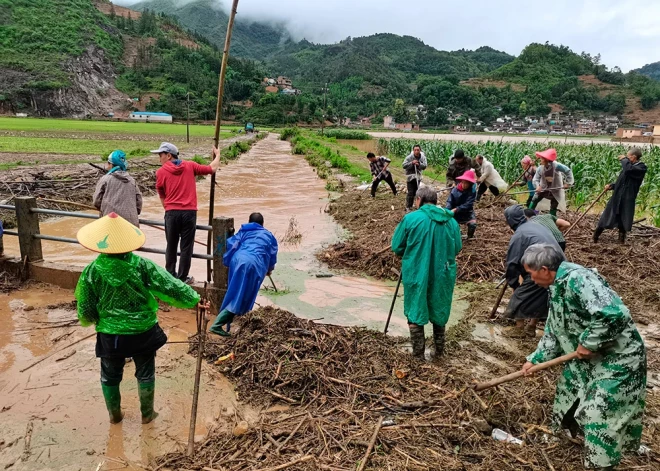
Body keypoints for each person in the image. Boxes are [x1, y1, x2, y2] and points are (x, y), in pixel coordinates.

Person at [520, 243, 646, 471]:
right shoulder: (555, 286)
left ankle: (601, 464)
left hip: (618, 359)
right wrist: (535, 359)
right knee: (567, 394)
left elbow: (615, 314)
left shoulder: (580, 280)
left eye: (531, 273)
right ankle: (566, 436)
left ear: (545, 269)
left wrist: (588, 342)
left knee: (600, 412)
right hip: (586, 359)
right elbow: (554, 329)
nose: (531, 279)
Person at [74, 213, 203, 424]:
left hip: (110, 334)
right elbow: (170, 284)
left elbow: (86, 309)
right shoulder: (142, 265)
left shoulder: (91, 271)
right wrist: (195, 299)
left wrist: (100, 320)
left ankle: (115, 416)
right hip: (143, 331)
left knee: (110, 375)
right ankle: (147, 414)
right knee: (145, 373)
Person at [391, 187, 462, 360]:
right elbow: (457, 247)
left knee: (416, 308)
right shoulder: (451, 221)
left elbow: (397, 246)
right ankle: (439, 352)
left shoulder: (411, 219)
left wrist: (412, 250)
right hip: (443, 273)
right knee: (439, 306)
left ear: (419, 200)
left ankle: (418, 356)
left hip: (417, 271)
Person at [154, 142, 222, 284]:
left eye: (160, 155)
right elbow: (212, 168)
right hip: (189, 213)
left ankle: (170, 277)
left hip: (172, 213)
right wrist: (218, 155)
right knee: (186, 248)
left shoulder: (161, 172)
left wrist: (167, 208)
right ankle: (182, 279)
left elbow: (161, 194)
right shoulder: (190, 166)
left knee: (171, 246)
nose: (159, 158)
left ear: (168, 155)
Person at [209, 213, 278, 337]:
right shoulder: (268, 235)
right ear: (262, 224)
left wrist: (228, 261)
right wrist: (269, 269)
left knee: (235, 291)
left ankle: (239, 323)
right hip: (253, 264)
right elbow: (272, 255)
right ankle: (217, 325)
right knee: (242, 296)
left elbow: (232, 244)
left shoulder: (244, 231)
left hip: (237, 260)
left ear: (249, 221)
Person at [502, 205, 564, 338]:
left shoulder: (520, 234)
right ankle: (531, 327)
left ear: (510, 220)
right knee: (542, 296)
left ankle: (518, 329)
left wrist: (514, 286)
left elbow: (512, 264)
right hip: (559, 265)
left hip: (544, 266)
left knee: (520, 296)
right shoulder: (536, 225)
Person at [593, 147, 648, 244]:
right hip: (617, 197)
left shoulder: (641, 168)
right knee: (606, 216)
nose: (627, 158)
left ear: (633, 157)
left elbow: (628, 170)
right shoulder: (629, 167)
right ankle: (596, 236)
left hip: (627, 198)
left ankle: (621, 240)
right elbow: (622, 182)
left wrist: (623, 159)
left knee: (624, 218)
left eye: (628, 156)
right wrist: (612, 186)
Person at [93, 150, 143, 226]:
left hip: (110, 222)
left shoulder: (105, 180)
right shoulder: (132, 181)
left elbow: (96, 201)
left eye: (108, 163)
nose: (107, 166)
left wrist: (104, 209)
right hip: (130, 224)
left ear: (111, 165)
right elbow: (139, 202)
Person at [530, 148, 574, 216]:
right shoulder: (540, 168)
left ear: (546, 160)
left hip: (555, 187)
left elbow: (568, 171)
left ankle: (552, 218)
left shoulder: (556, 166)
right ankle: (528, 214)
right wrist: (537, 186)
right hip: (543, 187)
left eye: (541, 159)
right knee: (535, 199)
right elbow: (536, 179)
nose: (540, 160)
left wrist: (567, 183)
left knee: (554, 204)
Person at [445, 169, 478, 239]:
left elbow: (468, 204)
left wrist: (457, 209)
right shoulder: (455, 190)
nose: (464, 185)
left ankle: (469, 237)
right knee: (452, 224)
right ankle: (457, 233)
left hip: (467, 212)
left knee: (473, 225)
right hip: (455, 213)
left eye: (466, 183)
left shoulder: (472, 192)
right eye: (463, 182)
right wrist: (447, 210)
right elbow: (450, 201)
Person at [402, 145, 427, 211]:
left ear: (420, 150)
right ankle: (408, 206)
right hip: (410, 176)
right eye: (415, 150)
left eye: (418, 150)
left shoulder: (423, 157)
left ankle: (417, 205)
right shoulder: (409, 157)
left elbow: (425, 166)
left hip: (418, 176)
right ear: (413, 151)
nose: (416, 151)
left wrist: (419, 164)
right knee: (410, 192)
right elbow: (404, 165)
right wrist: (412, 163)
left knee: (416, 192)